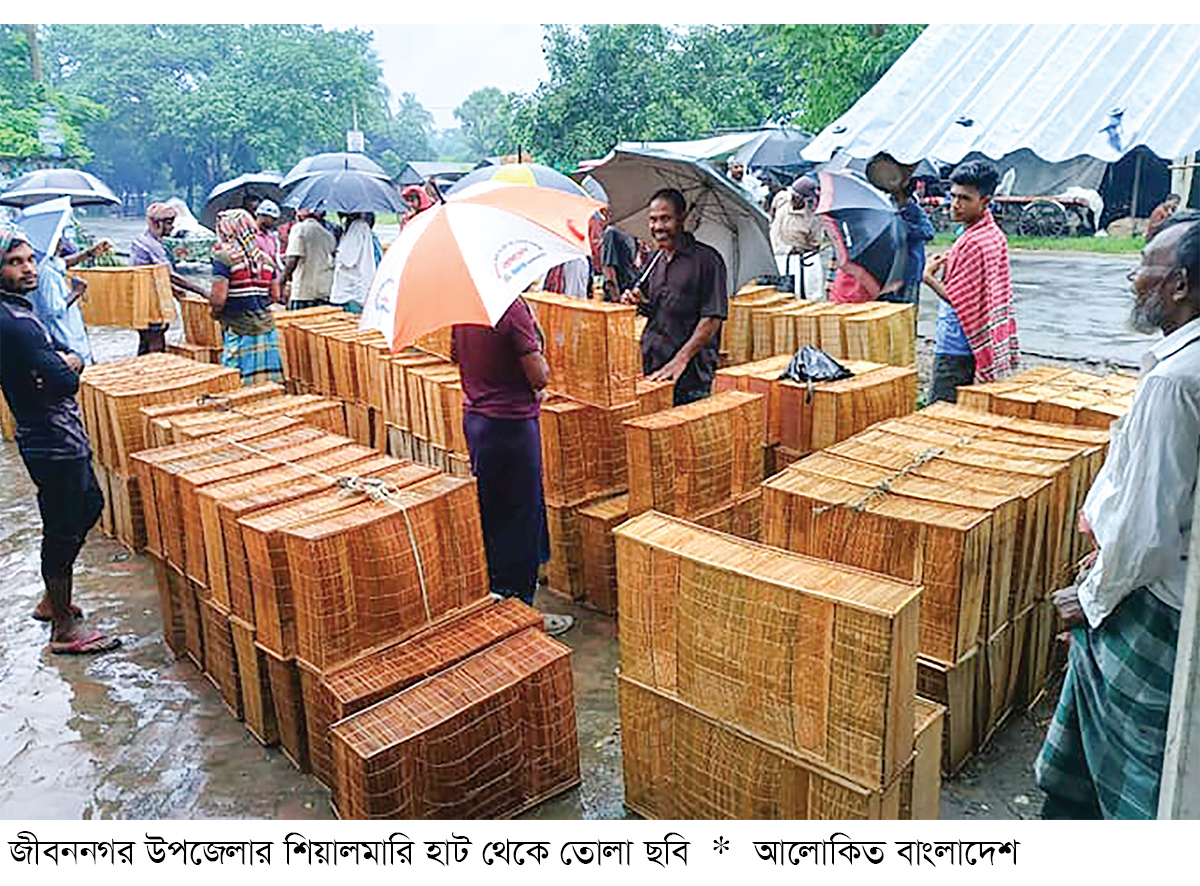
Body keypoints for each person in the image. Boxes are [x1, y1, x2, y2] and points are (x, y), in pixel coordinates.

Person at [1034, 210, 1200, 820]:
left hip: (1150, 596)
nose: (1134, 281)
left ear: (1179, 285)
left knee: (1131, 768)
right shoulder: (1183, 364)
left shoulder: (1177, 382)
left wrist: (1095, 593)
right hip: (1152, 579)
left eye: (1144, 269)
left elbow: (1149, 529)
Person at [0, 223, 118, 654]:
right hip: (49, 435)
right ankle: (63, 628)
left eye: (30, 259)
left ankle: (54, 598)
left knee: (89, 505)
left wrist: (58, 363)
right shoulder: (14, 322)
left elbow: (48, 371)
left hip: (54, 429)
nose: (28, 269)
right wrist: (69, 360)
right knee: (63, 525)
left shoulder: (18, 309)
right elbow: (63, 380)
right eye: (14, 262)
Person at [451, 298, 574, 637]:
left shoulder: (466, 308)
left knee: (492, 510)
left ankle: (497, 597)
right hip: (511, 427)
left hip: (477, 421)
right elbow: (539, 376)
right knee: (521, 516)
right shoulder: (510, 308)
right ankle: (521, 613)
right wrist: (532, 339)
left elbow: (455, 357)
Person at [622, 188, 728, 406]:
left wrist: (681, 359)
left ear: (682, 218)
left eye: (665, 219)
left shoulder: (707, 260)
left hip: (690, 376)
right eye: (653, 220)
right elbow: (659, 309)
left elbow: (712, 318)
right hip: (653, 367)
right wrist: (637, 303)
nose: (658, 227)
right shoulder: (655, 259)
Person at [922, 161, 1017, 402]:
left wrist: (928, 277)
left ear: (985, 201)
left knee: (941, 413)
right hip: (980, 341)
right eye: (952, 196)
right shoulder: (992, 234)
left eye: (965, 198)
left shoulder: (972, 242)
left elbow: (956, 298)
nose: (955, 205)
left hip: (957, 344)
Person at [209, 209, 285, 386]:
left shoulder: (225, 258)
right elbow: (275, 295)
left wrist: (214, 312)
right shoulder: (266, 260)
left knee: (237, 383)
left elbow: (218, 300)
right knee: (266, 383)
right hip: (266, 329)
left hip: (239, 328)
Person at [129, 202, 208, 354]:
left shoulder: (141, 240)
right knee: (156, 343)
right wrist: (201, 291)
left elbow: (153, 275)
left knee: (145, 340)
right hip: (151, 303)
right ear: (157, 223)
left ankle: (141, 373)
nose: (172, 227)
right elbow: (169, 274)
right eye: (169, 222)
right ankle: (156, 374)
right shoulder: (152, 245)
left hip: (140, 302)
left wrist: (174, 291)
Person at [881, 179, 936, 306]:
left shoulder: (914, 210)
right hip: (889, 270)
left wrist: (904, 227)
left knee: (907, 310)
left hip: (910, 271)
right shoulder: (887, 207)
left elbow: (928, 232)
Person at [770, 176, 824, 298]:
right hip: (776, 255)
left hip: (796, 263)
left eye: (798, 198)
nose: (794, 200)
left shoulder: (812, 218)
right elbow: (772, 214)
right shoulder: (781, 198)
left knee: (795, 296)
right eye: (793, 196)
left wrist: (800, 250)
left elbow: (815, 246)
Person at [281, 209, 336, 309]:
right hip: (323, 290)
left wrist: (282, 281)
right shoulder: (328, 235)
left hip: (303, 292)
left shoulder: (299, 229)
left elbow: (292, 259)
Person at [330, 212, 377, 314]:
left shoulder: (357, 227)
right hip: (354, 290)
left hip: (351, 293)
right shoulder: (356, 227)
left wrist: (336, 251)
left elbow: (347, 259)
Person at [598, 208, 639, 302]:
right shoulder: (611, 232)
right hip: (619, 297)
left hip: (630, 295)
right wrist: (616, 298)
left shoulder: (632, 234)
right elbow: (609, 271)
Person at [253, 199, 284, 283]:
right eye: (271, 219)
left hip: (271, 279)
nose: (272, 222)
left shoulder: (272, 237)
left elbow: (276, 258)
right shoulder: (250, 235)